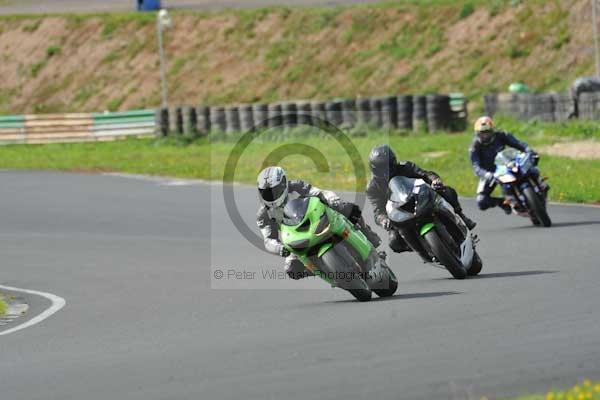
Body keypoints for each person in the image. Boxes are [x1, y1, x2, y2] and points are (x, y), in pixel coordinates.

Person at [256, 166, 381, 280]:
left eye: (274, 190)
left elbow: (320, 193)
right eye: (266, 193)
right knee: (292, 270)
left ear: (283, 184)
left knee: (348, 209)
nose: (271, 196)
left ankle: (370, 238)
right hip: (297, 238)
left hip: (317, 220)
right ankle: (326, 270)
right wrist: (279, 248)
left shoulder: (296, 187)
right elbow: (268, 240)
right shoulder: (264, 214)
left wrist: (333, 199)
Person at [366, 144, 476, 255]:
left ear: (393, 162)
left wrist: (434, 181)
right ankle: (423, 247)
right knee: (394, 242)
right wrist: (383, 220)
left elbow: (425, 174)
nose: (385, 172)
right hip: (398, 213)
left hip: (418, 198)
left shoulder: (405, 167)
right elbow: (378, 210)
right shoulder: (372, 187)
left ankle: (461, 216)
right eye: (380, 168)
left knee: (447, 191)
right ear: (373, 168)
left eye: (387, 166)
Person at [469, 116, 545, 213]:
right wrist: (486, 174)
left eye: (487, 132)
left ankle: (541, 185)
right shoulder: (474, 147)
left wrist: (528, 150)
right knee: (481, 201)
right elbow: (476, 166)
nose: (485, 136)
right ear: (477, 134)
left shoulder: (501, 135)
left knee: (531, 168)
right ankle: (503, 202)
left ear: (492, 130)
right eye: (482, 133)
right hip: (490, 172)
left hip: (506, 164)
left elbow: (518, 143)